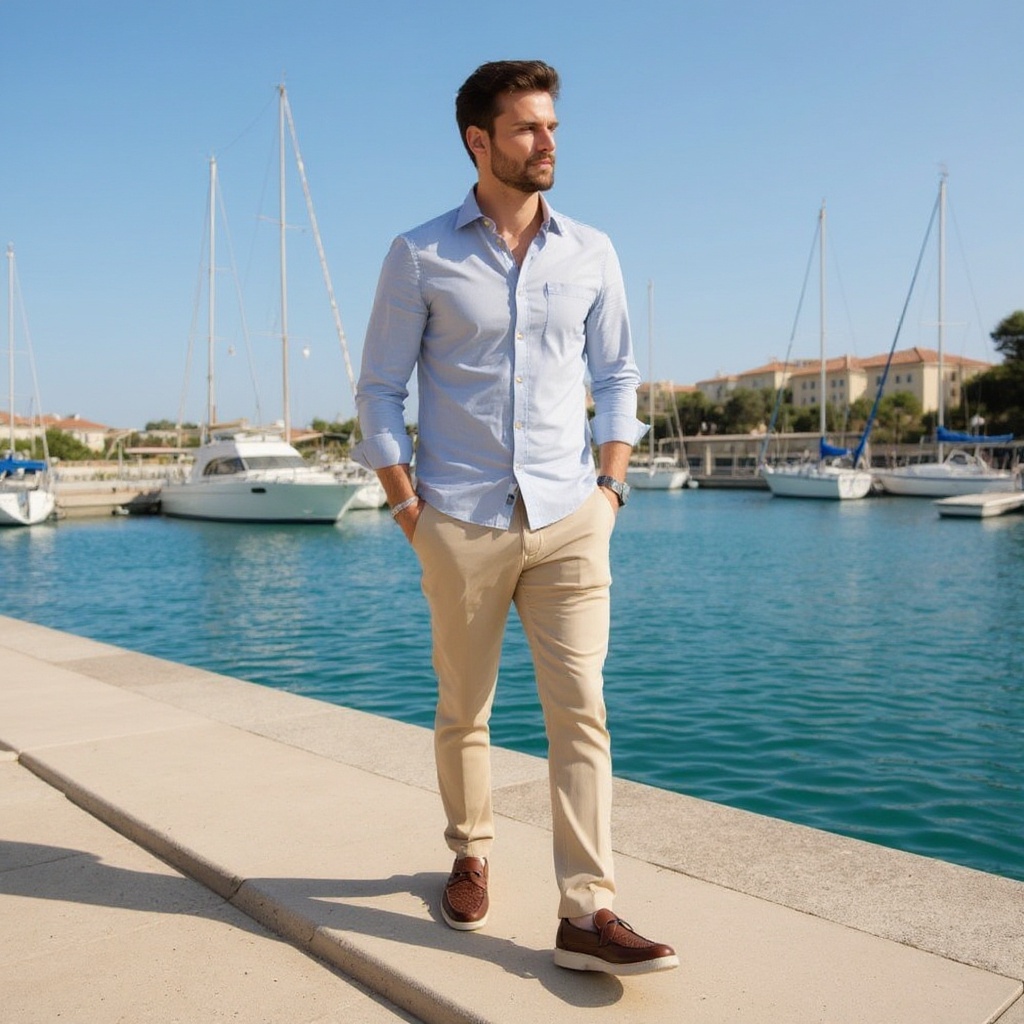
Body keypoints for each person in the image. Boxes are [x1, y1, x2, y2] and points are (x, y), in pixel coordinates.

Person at [353, 59, 678, 976]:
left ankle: (588, 910)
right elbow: (378, 392)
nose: (548, 144)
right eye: (529, 128)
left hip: (572, 513)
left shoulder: (593, 252)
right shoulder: (420, 254)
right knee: (466, 708)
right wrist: (410, 508)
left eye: (554, 128)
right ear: (479, 141)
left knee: (583, 713)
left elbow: (617, 376)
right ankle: (470, 848)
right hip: (458, 518)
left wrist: (610, 491)